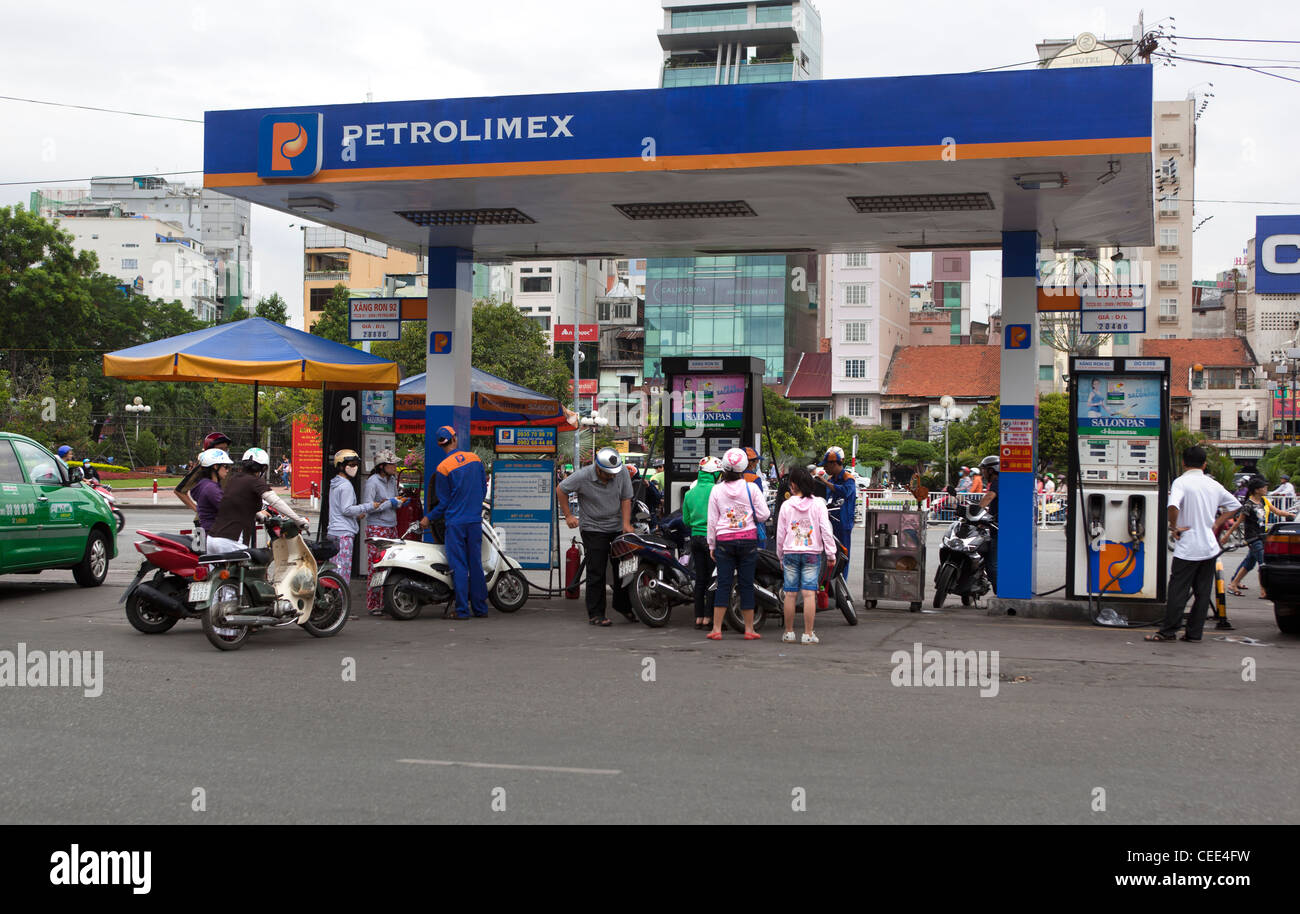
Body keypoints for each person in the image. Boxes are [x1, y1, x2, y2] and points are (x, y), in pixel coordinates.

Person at [1147, 446, 1241, 643]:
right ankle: (1194, 634)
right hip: (1208, 547)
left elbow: (1173, 506)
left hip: (1188, 547)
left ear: (1183, 462)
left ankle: (1168, 631)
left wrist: (1174, 527)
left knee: (1178, 591)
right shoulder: (1213, 484)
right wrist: (1216, 523)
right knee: (1203, 591)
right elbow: (1235, 506)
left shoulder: (1181, 482)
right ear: (1204, 464)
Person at [558, 446, 635, 626]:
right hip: (593, 527)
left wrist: (626, 524)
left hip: (615, 526)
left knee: (623, 568)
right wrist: (569, 515)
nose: (612, 477)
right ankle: (596, 613)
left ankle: (623, 606)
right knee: (597, 570)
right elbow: (561, 490)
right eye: (608, 474)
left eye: (614, 473)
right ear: (598, 469)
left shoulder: (621, 471)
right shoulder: (583, 475)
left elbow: (626, 498)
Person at [418, 428, 490, 619]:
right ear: (455, 439)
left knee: (458, 566)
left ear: (441, 444)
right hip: (474, 521)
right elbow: (483, 489)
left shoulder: (443, 468)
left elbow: (444, 503)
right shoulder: (475, 460)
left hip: (455, 525)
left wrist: (428, 518)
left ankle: (462, 611)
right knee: (475, 564)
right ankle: (481, 609)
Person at [707, 447, 770, 641]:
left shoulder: (716, 490)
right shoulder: (751, 488)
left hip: (724, 541)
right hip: (748, 540)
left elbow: (712, 520)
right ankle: (749, 629)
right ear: (743, 467)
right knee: (746, 584)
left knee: (723, 583)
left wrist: (712, 545)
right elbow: (764, 514)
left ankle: (717, 628)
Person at [776, 466, 837, 646]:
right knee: (810, 594)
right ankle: (808, 634)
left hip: (790, 553)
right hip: (812, 553)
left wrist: (780, 555)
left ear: (793, 485)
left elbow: (781, 533)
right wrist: (831, 553)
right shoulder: (818, 504)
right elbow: (826, 530)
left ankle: (789, 632)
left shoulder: (786, 505)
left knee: (790, 594)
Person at [207, 448, 310, 554]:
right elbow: (275, 501)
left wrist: (257, 515)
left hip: (212, 539)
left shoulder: (233, 479)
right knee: (256, 564)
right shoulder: (255, 481)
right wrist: (298, 520)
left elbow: (236, 506)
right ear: (263, 468)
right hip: (232, 541)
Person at [1227, 475, 1295, 598]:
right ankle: (1264, 591)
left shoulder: (1264, 500)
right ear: (1257, 489)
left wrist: (1291, 515)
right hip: (1253, 538)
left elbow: (1278, 512)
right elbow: (1238, 522)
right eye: (1264, 486)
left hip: (1262, 536)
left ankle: (1233, 584)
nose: (1266, 488)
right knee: (1263, 563)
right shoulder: (1248, 505)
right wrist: (1227, 535)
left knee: (1249, 563)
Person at [326, 449, 385, 582]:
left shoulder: (335, 483)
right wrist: (369, 506)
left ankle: (334, 599)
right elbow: (346, 509)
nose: (354, 468)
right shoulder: (346, 485)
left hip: (334, 531)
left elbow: (339, 509)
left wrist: (356, 516)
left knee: (335, 570)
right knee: (342, 573)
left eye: (355, 465)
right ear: (341, 466)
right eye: (351, 465)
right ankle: (341, 600)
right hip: (344, 535)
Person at [363, 449, 407, 616]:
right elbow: (368, 507)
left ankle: (386, 601)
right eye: (392, 464)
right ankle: (373, 603)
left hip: (391, 526)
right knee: (376, 567)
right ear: (382, 466)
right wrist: (390, 503)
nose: (395, 466)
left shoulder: (392, 480)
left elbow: (393, 500)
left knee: (391, 566)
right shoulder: (372, 482)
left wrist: (399, 501)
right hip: (377, 527)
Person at [682, 456, 722, 630]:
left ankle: (698, 617)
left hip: (695, 539)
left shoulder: (689, 493)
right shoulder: (717, 491)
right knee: (713, 579)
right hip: (711, 539)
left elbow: (686, 520)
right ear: (714, 474)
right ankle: (708, 617)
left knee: (700, 578)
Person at [820, 446, 856, 580]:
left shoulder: (848, 479)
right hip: (831, 522)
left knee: (843, 556)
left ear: (834, 464)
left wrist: (826, 483)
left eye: (826, 466)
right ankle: (829, 583)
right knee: (829, 554)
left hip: (844, 522)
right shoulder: (831, 478)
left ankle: (842, 584)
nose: (825, 469)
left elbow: (845, 492)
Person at [176, 432, 231, 513]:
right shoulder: (203, 468)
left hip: (222, 517)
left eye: (226, 449)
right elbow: (179, 491)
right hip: (207, 520)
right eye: (220, 449)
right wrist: (197, 510)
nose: (224, 452)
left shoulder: (226, 467)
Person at [191, 447, 234, 532]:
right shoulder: (211, 488)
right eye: (225, 466)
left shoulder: (204, 483)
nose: (227, 470)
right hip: (215, 533)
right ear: (215, 466)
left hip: (209, 532)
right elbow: (228, 509)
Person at [975, 455, 1000, 593]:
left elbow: (989, 497)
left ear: (991, 470)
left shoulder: (997, 482)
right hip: (995, 526)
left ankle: (1000, 592)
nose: (982, 472)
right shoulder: (999, 482)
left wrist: (975, 513)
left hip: (1000, 530)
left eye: (984, 469)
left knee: (992, 565)